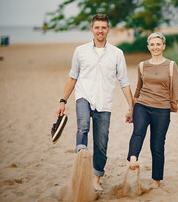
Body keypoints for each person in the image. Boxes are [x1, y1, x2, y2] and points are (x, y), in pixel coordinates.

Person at [56, 14, 134, 191]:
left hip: (104, 103)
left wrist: (132, 106)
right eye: (97, 27)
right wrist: (63, 101)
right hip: (84, 96)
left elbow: (124, 82)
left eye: (103, 27)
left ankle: (95, 180)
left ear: (108, 30)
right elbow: (73, 76)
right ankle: (80, 164)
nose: (100, 30)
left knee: (101, 143)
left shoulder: (117, 54)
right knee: (83, 127)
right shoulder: (80, 51)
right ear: (92, 30)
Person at [127, 32, 178, 187]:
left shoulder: (171, 65)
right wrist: (131, 109)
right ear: (148, 47)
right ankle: (133, 158)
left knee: (157, 144)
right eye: (152, 44)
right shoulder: (142, 65)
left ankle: (156, 181)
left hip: (162, 109)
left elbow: (177, 90)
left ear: (163, 46)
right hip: (142, 105)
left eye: (158, 44)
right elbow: (138, 89)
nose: (155, 47)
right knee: (138, 131)